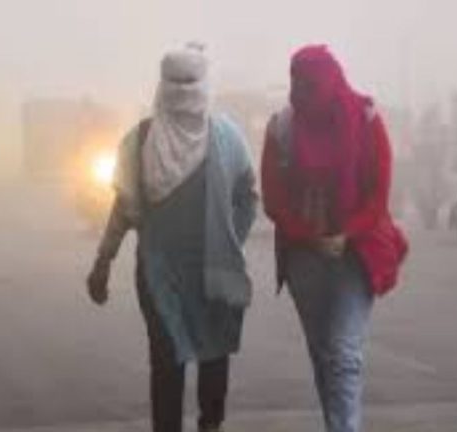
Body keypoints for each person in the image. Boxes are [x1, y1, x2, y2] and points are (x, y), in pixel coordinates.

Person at [85, 45, 257, 432]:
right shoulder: (227, 136)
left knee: (169, 363)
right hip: (189, 274)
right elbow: (249, 197)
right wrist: (231, 240)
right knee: (208, 355)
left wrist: (103, 262)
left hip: (162, 274)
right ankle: (209, 424)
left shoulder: (141, 140)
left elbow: (123, 210)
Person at [261, 45, 407, 432]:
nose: (304, 93)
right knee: (323, 354)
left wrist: (348, 233)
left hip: (356, 253)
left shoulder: (366, 119)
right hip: (304, 256)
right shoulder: (282, 127)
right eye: (298, 83)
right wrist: (309, 236)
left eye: (312, 84)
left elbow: (378, 194)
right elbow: (274, 200)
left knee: (344, 354)